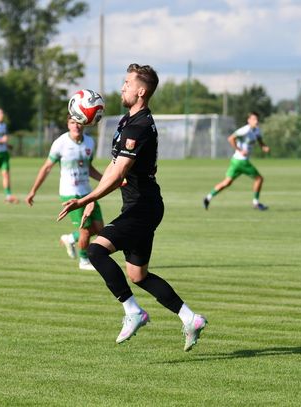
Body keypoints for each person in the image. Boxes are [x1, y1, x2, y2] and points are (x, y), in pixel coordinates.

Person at [58, 63, 207, 351]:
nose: (122, 87)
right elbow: (114, 166)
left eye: (127, 83)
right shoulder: (128, 121)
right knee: (138, 275)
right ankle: (191, 318)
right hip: (140, 206)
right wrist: (94, 199)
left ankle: (133, 311)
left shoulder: (139, 127)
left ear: (141, 91)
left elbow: (118, 175)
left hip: (143, 208)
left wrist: (85, 199)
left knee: (96, 251)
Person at [26, 116, 104, 271]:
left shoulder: (90, 142)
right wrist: (33, 191)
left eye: (79, 122)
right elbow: (46, 168)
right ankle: (84, 261)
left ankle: (70, 238)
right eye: (72, 122)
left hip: (88, 192)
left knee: (99, 229)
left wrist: (108, 181)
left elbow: (89, 168)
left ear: (84, 124)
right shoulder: (60, 143)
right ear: (68, 125)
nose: (76, 126)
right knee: (85, 231)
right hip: (70, 193)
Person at [203, 112, 270, 210]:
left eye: (257, 119)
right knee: (259, 179)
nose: (256, 121)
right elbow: (231, 138)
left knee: (227, 182)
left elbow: (259, 140)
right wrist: (240, 150)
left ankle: (208, 197)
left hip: (235, 161)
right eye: (254, 119)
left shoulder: (257, 130)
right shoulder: (245, 130)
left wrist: (263, 146)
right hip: (242, 161)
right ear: (249, 120)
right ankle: (256, 203)